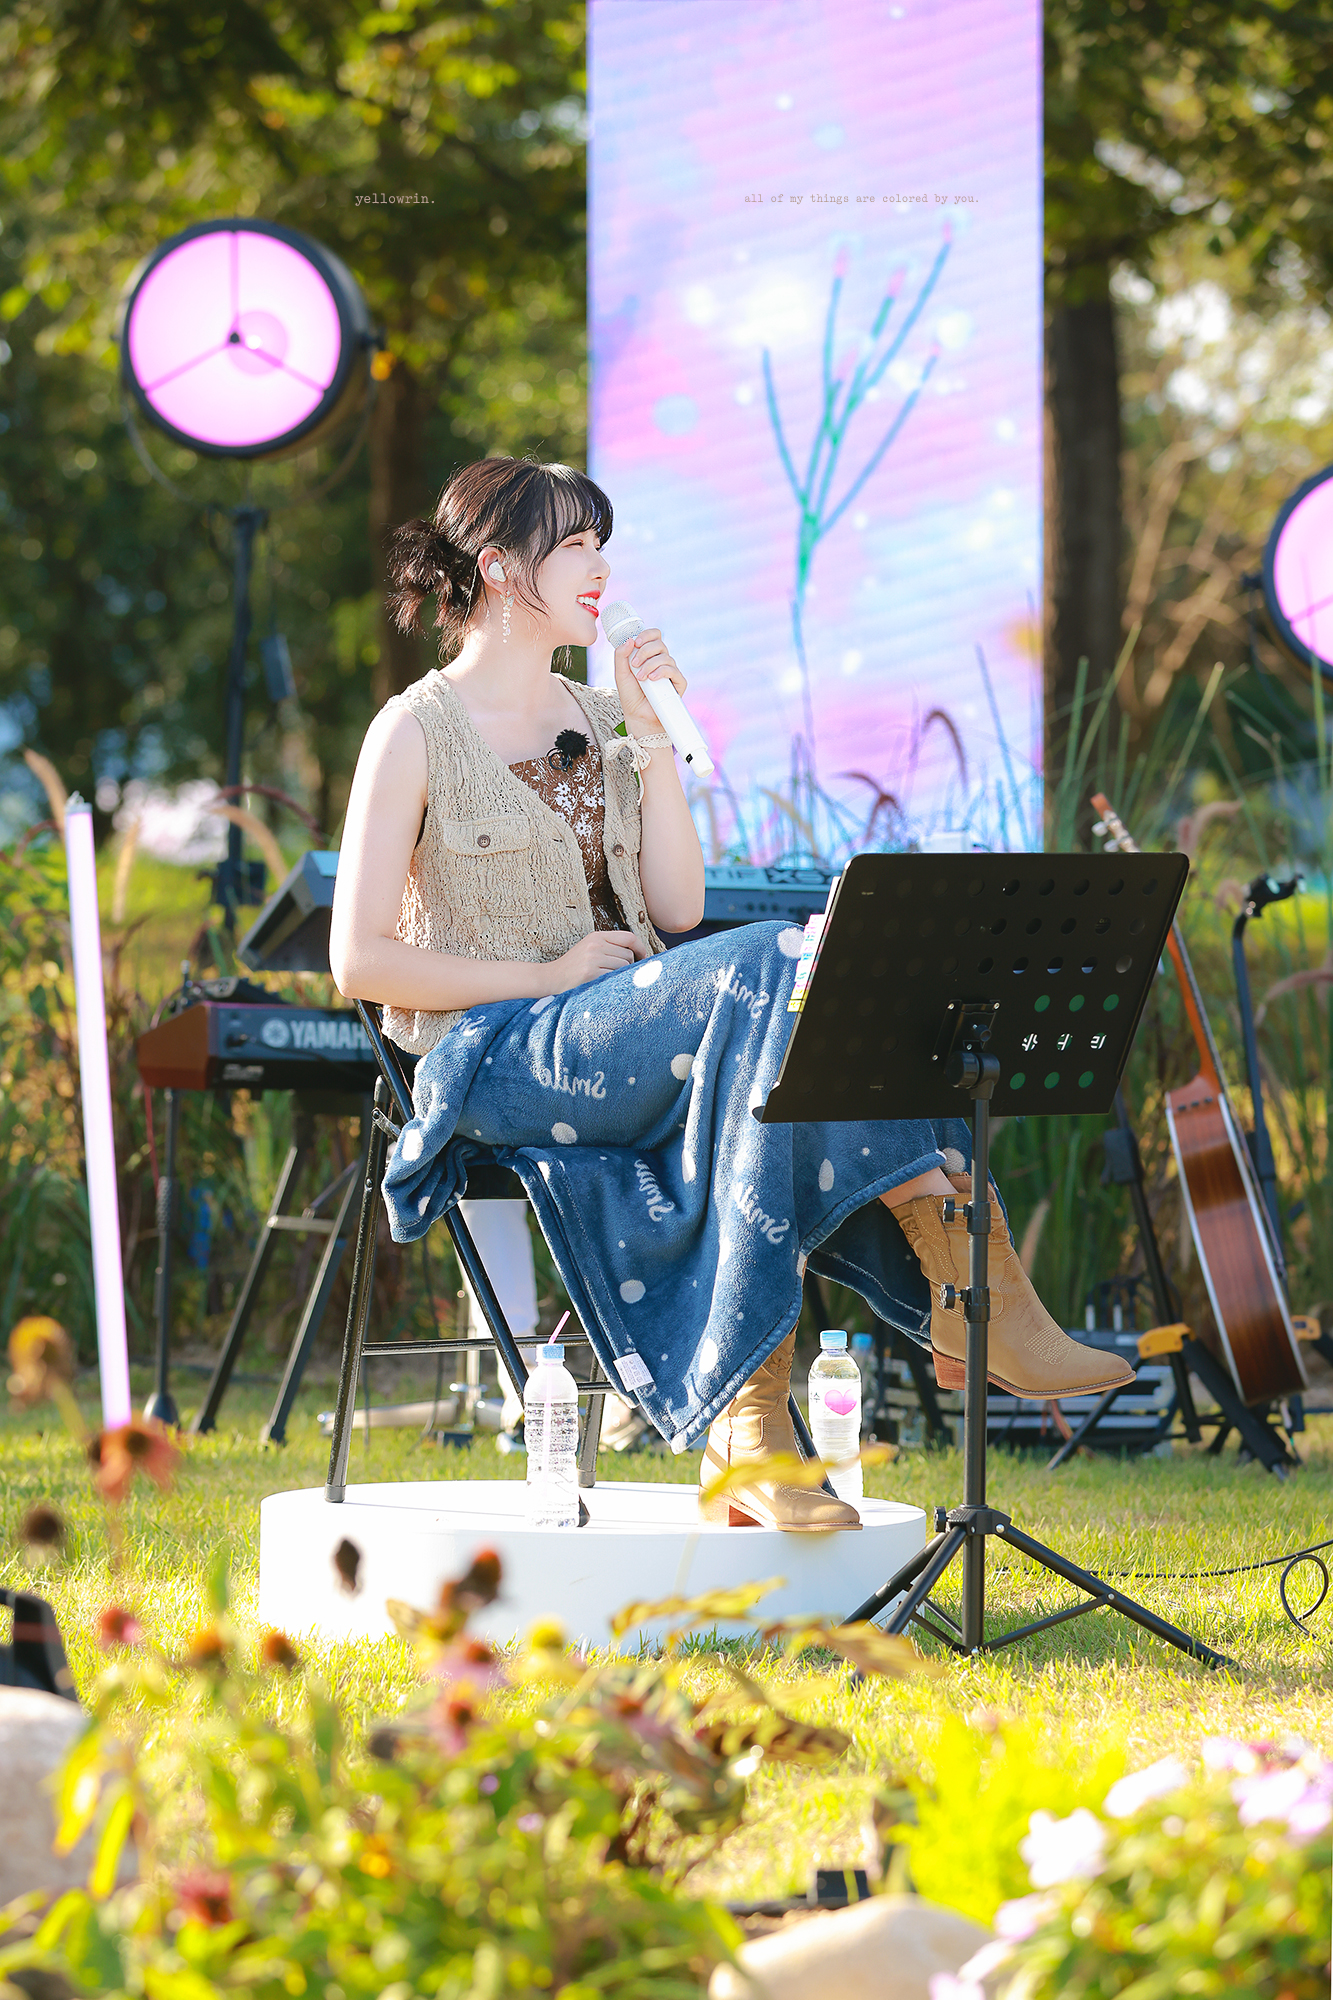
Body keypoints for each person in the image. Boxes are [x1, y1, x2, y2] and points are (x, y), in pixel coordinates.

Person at [328, 455, 1132, 1535]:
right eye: (576, 544)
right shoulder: (414, 729)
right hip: (496, 1054)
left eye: (602, 544)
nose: (601, 567)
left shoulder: (601, 714)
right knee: (765, 963)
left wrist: (649, 736)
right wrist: (545, 975)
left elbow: (675, 902)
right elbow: (359, 961)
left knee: (806, 987)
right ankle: (956, 1293)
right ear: (500, 566)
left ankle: (770, 1420)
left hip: (620, 1035)